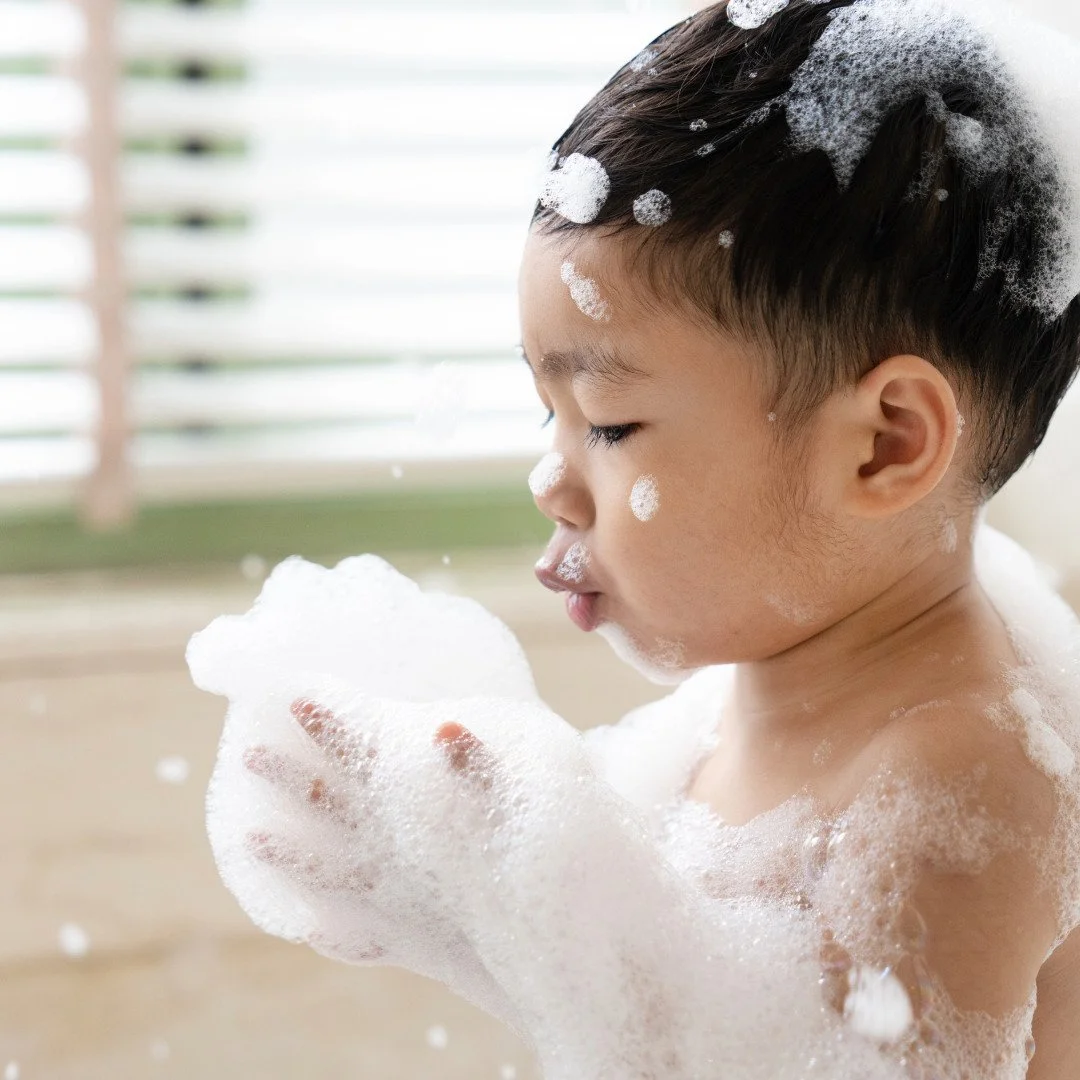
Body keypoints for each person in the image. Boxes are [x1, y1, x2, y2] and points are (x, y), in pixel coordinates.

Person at [212, 2, 1080, 1076]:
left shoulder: (958, 789)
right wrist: (480, 912)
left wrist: (516, 918)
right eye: (552, 417)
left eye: (611, 425)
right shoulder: (750, 693)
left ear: (883, 447)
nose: (552, 479)